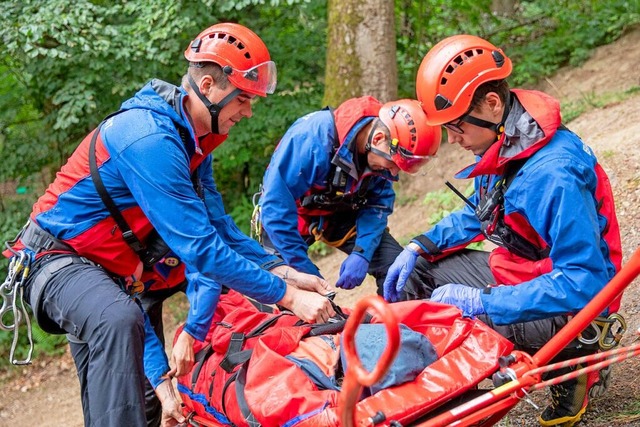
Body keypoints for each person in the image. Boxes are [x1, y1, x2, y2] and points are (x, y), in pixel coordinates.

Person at [3, 22, 335, 427]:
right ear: (209, 86)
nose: (248, 112)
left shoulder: (195, 142)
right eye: (243, 100)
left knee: (143, 398)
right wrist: (288, 297)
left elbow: (221, 231)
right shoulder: (149, 140)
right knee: (117, 319)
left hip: (115, 273)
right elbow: (201, 251)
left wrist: (280, 270)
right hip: (55, 260)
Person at [383, 35, 622, 427]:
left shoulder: (551, 174)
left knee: (468, 310)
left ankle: (574, 364)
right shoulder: (508, 142)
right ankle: (421, 386)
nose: (452, 139)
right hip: (527, 270)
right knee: (422, 271)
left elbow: (587, 281)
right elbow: (485, 212)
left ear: (492, 104)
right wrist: (418, 245)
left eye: (456, 126)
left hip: (577, 307)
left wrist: (483, 302)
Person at [256, 97, 441, 295]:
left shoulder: (382, 156)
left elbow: (377, 205)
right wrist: (305, 273)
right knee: (299, 294)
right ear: (378, 139)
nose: (394, 173)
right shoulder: (310, 141)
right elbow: (276, 213)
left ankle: (395, 321)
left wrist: (362, 252)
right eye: (394, 164)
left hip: (342, 210)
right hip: (291, 217)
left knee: (400, 273)